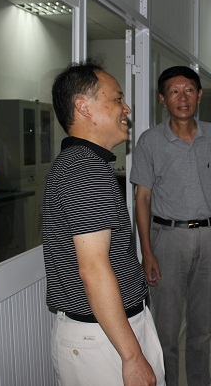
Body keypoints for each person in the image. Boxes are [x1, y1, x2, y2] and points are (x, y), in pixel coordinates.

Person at [43, 60, 165, 386]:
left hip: (106, 331)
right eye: (117, 98)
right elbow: (94, 270)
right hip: (103, 339)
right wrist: (132, 357)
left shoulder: (82, 163)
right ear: (84, 107)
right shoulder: (85, 170)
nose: (126, 109)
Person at [131, 66, 211, 386]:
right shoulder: (150, 141)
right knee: (166, 331)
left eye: (189, 90)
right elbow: (142, 198)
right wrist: (147, 252)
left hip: (206, 237)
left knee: (202, 329)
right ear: (163, 99)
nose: (182, 98)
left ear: (199, 95)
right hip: (167, 239)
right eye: (174, 92)